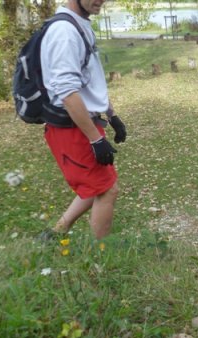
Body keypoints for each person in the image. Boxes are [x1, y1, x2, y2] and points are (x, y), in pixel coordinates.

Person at [37, 0, 126, 241]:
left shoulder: (80, 24)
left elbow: (89, 81)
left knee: (95, 185)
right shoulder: (64, 31)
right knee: (107, 190)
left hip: (84, 123)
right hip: (72, 127)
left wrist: (112, 115)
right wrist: (95, 139)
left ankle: (56, 233)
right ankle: (100, 257)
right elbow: (67, 92)